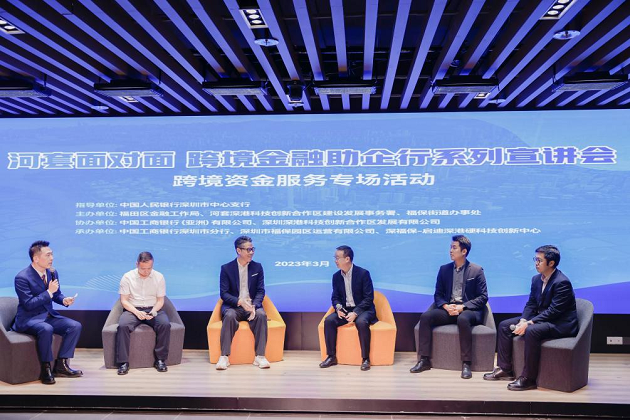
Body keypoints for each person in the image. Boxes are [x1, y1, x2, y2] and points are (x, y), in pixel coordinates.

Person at [484, 245, 578, 391]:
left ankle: (529, 378)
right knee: (504, 326)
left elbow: (554, 311)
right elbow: (531, 304)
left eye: (539, 260)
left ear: (551, 263)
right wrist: (523, 320)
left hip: (560, 323)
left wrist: (529, 323)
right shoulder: (536, 279)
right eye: (535, 259)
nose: (536, 263)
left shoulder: (562, 282)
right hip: (541, 319)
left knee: (532, 331)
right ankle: (505, 369)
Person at [411, 235, 488, 379]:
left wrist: (462, 307)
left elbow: (483, 297)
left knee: (463, 319)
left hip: (468, 310)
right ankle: (424, 360)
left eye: (454, 248)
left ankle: (466, 363)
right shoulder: (444, 269)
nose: (450, 251)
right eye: (450, 247)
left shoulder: (476, 270)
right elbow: (438, 294)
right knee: (426, 317)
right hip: (449, 308)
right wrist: (446, 306)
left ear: (464, 251)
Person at [13, 240, 82, 385]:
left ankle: (61, 365)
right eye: (48, 255)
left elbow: (56, 294)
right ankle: (46, 368)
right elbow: (28, 304)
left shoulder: (52, 272)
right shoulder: (22, 277)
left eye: (52, 254)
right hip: (28, 319)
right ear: (36, 258)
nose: (52, 258)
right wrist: (49, 292)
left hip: (48, 316)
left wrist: (64, 300)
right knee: (46, 329)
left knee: (75, 326)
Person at [320, 245, 377, 371]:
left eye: (337, 258)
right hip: (346, 309)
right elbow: (335, 297)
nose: (335, 260)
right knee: (329, 321)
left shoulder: (363, 274)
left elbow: (368, 298)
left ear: (347, 259)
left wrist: (356, 313)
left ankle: (365, 359)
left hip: (364, 309)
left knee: (361, 322)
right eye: (335, 258)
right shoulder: (336, 276)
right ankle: (331, 356)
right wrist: (338, 309)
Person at [217, 236, 269, 370]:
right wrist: (240, 302)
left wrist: (254, 306)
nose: (252, 252)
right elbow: (224, 294)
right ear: (238, 251)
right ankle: (224, 357)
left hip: (252, 306)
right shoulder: (227, 268)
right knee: (229, 316)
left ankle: (260, 356)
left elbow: (260, 291)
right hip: (235, 306)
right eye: (248, 249)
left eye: (252, 249)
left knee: (261, 315)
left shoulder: (257, 267)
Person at [116, 251, 171, 375]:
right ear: (137, 264)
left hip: (153, 308)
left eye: (149, 268)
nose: (146, 271)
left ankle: (160, 360)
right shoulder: (127, 277)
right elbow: (124, 300)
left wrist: (153, 312)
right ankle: (123, 362)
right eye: (143, 269)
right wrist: (136, 312)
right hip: (133, 308)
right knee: (123, 325)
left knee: (165, 324)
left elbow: (160, 300)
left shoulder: (159, 277)